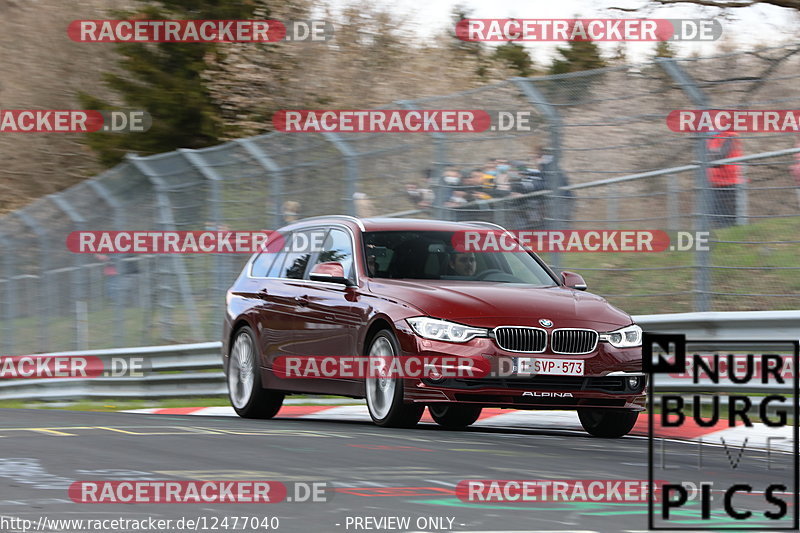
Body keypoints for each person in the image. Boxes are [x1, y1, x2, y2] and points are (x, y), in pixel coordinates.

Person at [706, 131, 743, 228]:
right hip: (715, 183)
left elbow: (720, 158)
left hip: (730, 183)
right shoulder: (711, 138)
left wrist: (708, 155)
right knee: (715, 218)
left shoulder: (731, 136)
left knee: (729, 219)